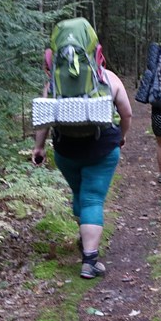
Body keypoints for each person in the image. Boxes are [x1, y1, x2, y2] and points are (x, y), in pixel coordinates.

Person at [32, 67, 132, 279]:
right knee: (92, 199)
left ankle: (85, 235)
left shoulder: (54, 82)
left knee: (79, 194)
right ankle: (89, 261)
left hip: (66, 150)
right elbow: (127, 113)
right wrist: (121, 136)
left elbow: (44, 119)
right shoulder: (108, 77)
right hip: (102, 148)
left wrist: (38, 146)